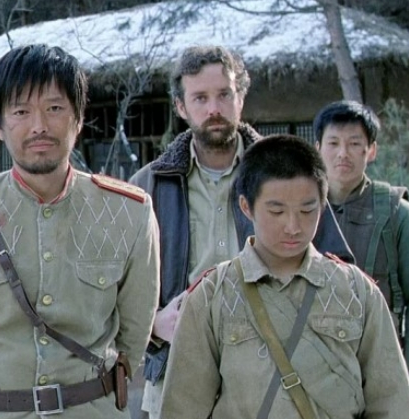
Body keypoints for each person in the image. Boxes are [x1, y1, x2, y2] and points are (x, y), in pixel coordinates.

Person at [0, 44, 160, 418]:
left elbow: (133, 335)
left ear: (78, 119)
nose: (39, 125)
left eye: (55, 108)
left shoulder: (129, 211)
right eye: (21, 111)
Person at [129, 45, 353, 419]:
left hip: (276, 365)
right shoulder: (148, 186)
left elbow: (338, 269)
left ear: (241, 98)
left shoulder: (287, 171)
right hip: (179, 365)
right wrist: (153, 323)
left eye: (224, 95)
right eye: (200, 98)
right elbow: (116, 290)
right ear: (181, 106)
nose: (214, 109)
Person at [160, 134, 409, 418]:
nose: (293, 226)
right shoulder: (211, 296)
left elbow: (392, 402)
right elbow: (183, 408)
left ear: (322, 205)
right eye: (276, 211)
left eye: (307, 210)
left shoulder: (356, 291)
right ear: (246, 207)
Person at [314, 100, 409, 359]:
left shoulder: (396, 213)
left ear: (372, 150)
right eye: (333, 143)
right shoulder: (298, 210)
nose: (343, 153)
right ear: (318, 149)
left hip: (379, 357)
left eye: (354, 144)